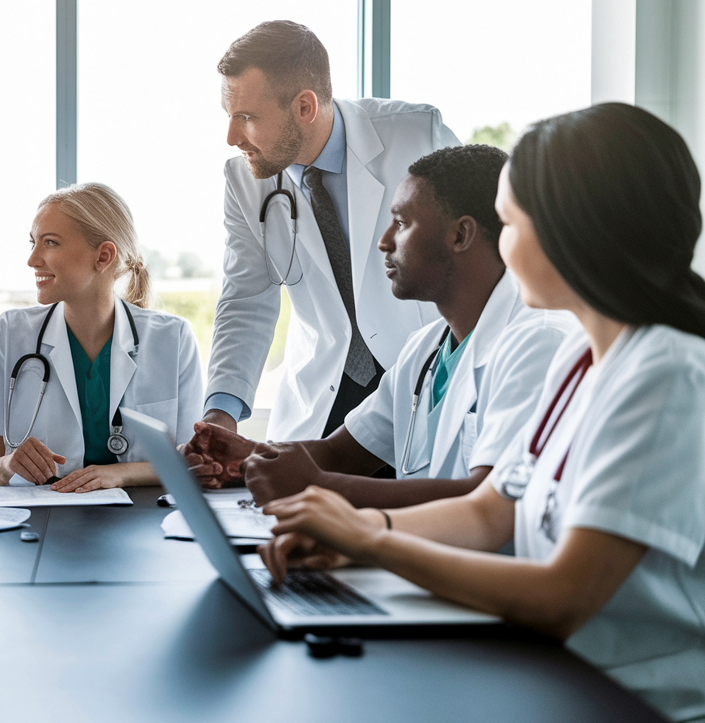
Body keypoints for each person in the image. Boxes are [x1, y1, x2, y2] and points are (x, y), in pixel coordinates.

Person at [257, 103, 705, 723]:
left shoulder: (667, 375)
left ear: (576, 231)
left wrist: (372, 539)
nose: (503, 242)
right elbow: (488, 510)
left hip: (632, 705)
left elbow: (564, 597)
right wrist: (353, 541)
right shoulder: (582, 355)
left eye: (512, 223)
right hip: (554, 680)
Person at [188, 145, 574, 508]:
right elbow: (338, 454)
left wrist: (317, 486)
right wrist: (246, 455)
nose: (384, 242)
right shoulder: (424, 350)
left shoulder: (539, 342)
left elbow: (489, 504)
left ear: (460, 235)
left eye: (402, 223)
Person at [204, 20, 460, 446]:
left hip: (421, 383)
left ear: (304, 106)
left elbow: (484, 255)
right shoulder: (245, 180)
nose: (232, 138)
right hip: (324, 399)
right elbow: (246, 300)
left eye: (247, 118)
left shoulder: (416, 135)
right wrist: (221, 413)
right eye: (230, 118)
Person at [0, 184, 203, 491]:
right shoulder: (12, 332)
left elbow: (194, 461)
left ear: (103, 257)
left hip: (142, 519)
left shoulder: (173, 338)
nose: (33, 259)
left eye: (50, 243)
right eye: (33, 243)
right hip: (40, 520)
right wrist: (8, 465)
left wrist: (121, 473)